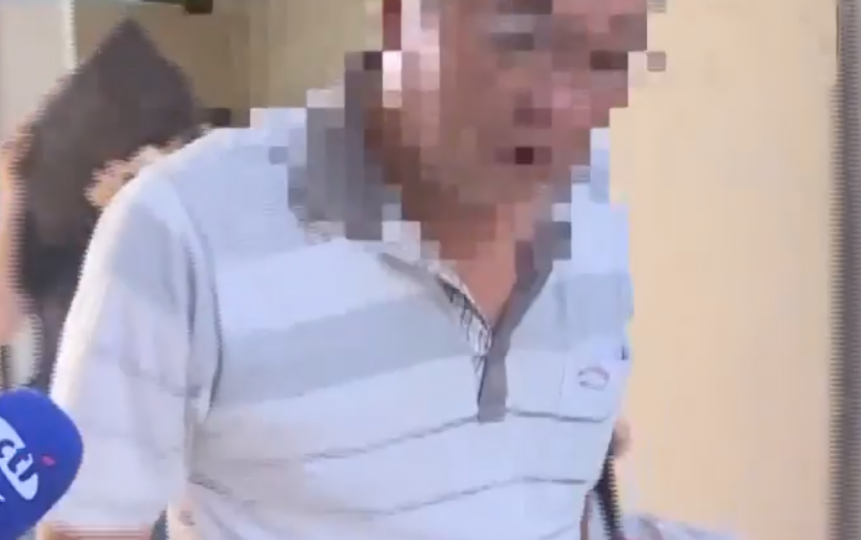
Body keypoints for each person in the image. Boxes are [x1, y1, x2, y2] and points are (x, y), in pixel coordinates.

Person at [40, 0, 646, 539]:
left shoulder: (592, 210)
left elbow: (554, 501)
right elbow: (88, 527)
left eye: (603, 54)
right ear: (402, 20)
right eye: (519, 37)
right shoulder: (179, 230)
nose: (562, 103)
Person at [0, 18, 205, 391]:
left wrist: (133, 210)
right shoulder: (47, 228)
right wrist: (8, 190)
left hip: (138, 408)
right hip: (56, 406)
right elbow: (3, 320)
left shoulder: (174, 222)